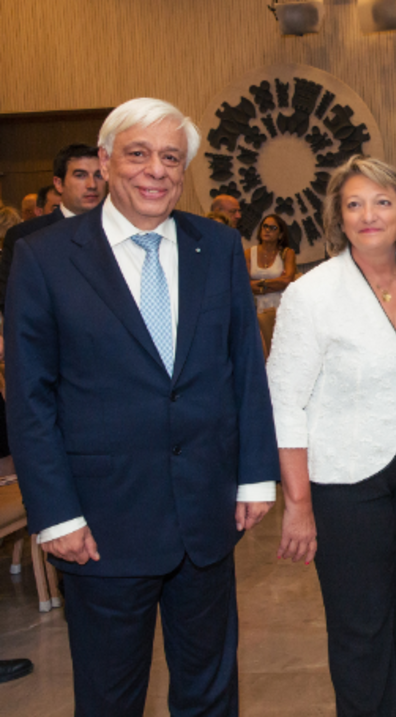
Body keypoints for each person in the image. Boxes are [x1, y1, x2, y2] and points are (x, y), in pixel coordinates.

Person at [5, 97, 278, 715]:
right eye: (138, 154)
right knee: (110, 698)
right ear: (105, 162)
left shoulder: (217, 246)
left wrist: (255, 475)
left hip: (206, 516)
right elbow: (30, 397)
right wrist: (56, 514)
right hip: (101, 526)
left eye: (171, 158)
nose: (156, 170)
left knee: (210, 693)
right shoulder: (45, 257)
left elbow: (243, 367)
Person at [268, 155, 396, 717]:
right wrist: (298, 504)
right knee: (360, 628)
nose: (369, 215)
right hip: (345, 482)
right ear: (339, 217)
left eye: (382, 202)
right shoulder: (311, 293)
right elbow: (285, 402)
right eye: (354, 204)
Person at [0, 144, 108, 314]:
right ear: (58, 183)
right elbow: (12, 302)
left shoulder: (120, 231)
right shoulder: (26, 236)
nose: (92, 184)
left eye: (99, 175)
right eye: (80, 175)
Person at [244, 213, 298, 311]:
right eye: (265, 226)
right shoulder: (248, 253)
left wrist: (260, 284)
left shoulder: (287, 253)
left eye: (273, 228)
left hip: (280, 307)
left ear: (280, 235)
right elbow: (245, 285)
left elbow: (287, 281)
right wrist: (277, 282)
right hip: (254, 307)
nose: (267, 230)